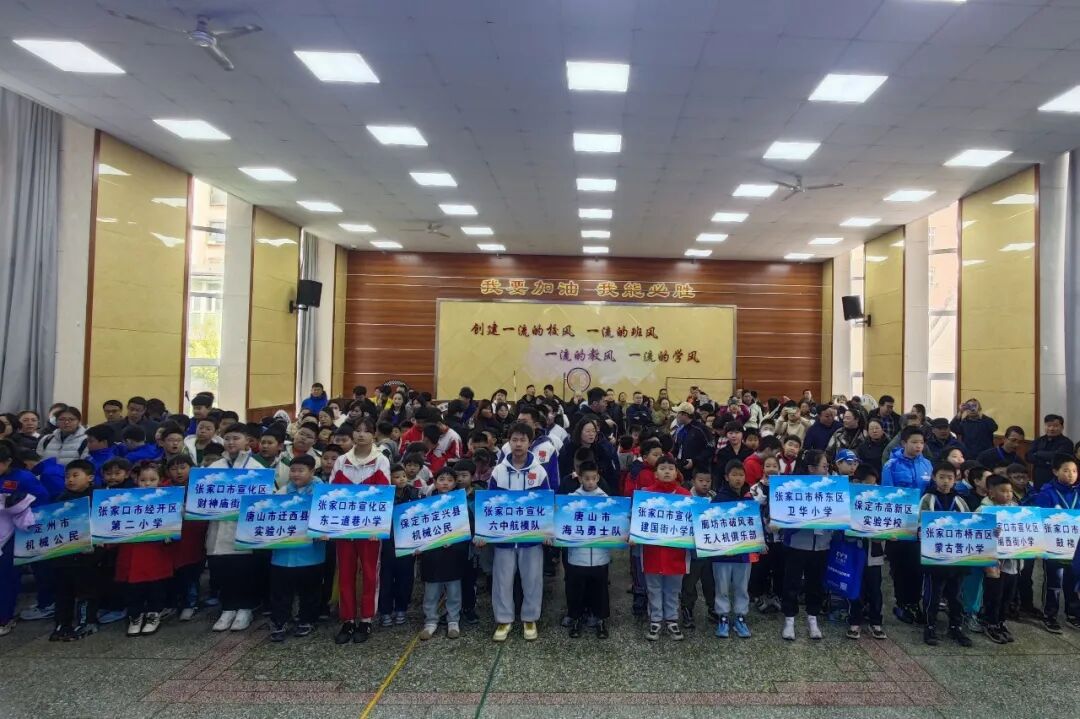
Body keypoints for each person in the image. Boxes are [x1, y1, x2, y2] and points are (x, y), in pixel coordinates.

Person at [482, 421, 550, 642]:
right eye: (514, 439)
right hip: (504, 537)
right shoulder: (499, 471)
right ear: (508, 442)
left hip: (531, 537)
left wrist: (547, 531)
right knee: (502, 580)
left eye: (523, 440)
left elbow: (545, 504)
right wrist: (484, 532)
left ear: (530, 443)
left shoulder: (539, 471)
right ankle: (504, 619)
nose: (518, 444)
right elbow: (489, 504)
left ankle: (530, 618)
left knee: (532, 579)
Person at [329, 416, 391, 644]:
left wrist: (378, 527)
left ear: (374, 434)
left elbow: (383, 496)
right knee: (345, 572)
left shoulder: (380, 460)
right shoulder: (341, 461)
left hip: (370, 530)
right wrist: (328, 527)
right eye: (357, 430)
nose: (361, 434)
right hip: (344, 528)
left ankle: (365, 619)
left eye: (366, 430)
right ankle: (347, 620)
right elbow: (331, 496)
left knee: (369, 572)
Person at [204, 425, 260, 632]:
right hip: (218, 527)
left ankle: (245, 608)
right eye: (227, 438)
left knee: (244, 570)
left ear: (246, 441)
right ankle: (227, 608)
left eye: (236, 438)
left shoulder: (256, 467)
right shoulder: (215, 466)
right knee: (222, 569)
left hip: (243, 528)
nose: (231, 442)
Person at [265, 454, 325, 642]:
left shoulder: (322, 492)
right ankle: (280, 621)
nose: (296, 474)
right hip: (283, 554)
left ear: (312, 472)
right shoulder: (282, 492)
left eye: (301, 470)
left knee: (310, 590)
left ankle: (307, 620)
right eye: (293, 470)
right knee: (281, 591)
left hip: (311, 554)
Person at [881, 426, 933, 624]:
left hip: (920, 524)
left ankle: (914, 602)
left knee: (917, 565)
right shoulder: (891, 465)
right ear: (904, 443)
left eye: (921, 443)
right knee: (900, 565)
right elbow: (887, 495)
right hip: (899, 523)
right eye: (914, 442)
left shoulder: (927, 464)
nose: (919, 446)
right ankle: (902, 603)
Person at [919, 461, 973, 647]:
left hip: (957, 557)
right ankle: (930, 626)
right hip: (934, 556)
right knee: (933, 594)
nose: (945, 481)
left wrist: (989, 533)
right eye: (941, 477)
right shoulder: (928, 499)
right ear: (934, 478)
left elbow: (971, 525)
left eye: (949, 478)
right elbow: (921, 522)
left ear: (955, 480)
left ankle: (956, 627)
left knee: (956, 596)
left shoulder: (960, 501)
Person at [49, 459, 104, 640]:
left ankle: (86, 621)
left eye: (75, 475)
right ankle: (62, 624)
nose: (70, 480)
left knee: (86, 590)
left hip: (88, 556)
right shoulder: (60, 499)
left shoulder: (99, 497)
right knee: (63, 591)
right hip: (64, 555)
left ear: (90, 478)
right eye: (67, 477)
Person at [118, 462, 175, 637]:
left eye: (152, 479)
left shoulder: (168, 498)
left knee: (155, 586)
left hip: (156, 550)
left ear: (160, 480)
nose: (147, 483)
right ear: (136, 480)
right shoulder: (126, 499)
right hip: (132, 550)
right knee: (133, 588)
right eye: (143, 480)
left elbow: (174, 526)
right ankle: (135, 616)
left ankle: (153, 614)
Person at [780, 449, 832, 641]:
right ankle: (789, 619)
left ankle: (813, 619)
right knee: (792, 583)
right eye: (824, 467)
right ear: (811, 468)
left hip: (822, 544)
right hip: (797, 543)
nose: (827, 470)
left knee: (815, 584)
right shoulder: (794, 487)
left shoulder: (832, 488)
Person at [640, 455, 689, 642]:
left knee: (673, 588)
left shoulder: (685, 496)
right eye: (662, 468)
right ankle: (655, 619)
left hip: (677, 552)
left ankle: (672, 619)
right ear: (655, 473)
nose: (667, 472)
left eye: (670, 468)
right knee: (653, 587)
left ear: (676, 473)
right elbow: (637, 521)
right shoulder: (646, 495)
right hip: (652, 551)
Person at [417, 468, 469, 640]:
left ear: (454, 484)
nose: (445, 483)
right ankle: (430, 621)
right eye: (441, 479)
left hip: (454, 554)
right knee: (431, 591)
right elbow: (417, 528)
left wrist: (455, 540)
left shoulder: (460, 503)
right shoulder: (425, 504)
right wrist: (414, 545)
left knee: (454, 591)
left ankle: (453, 620)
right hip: (432, 555)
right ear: (435, 482)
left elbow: (468, 527)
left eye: (449, 480)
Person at [1033, 453, 1080, 633]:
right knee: (1054, 582)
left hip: (1076, 547)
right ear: (1055, 471)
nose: (1071, 474)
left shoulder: (1078, 492)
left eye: (1074, 471)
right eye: (1066, 470)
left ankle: (1072, 613)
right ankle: (1050, 615)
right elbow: (1041, 518)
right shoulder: (1047, 493)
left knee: (1073, 580)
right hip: (1054, 546)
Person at [711, 460, 754, 639]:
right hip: (722, 553)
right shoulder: (718, 500)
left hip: (743, 553)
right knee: (721, 587)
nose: (738, 478)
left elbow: (755, 525)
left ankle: (740, 617)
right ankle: (722, 617)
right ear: (726, 477)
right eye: (734, 475)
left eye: (741, 475)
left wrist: (760, 543)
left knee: (742, 587)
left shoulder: (749, 499)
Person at [845, 464, 887, 640]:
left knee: (875, 589)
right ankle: (855, 621)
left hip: (874, 554)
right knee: (856, 588)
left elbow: (890, 525)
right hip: (855, 552)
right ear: (856, 482)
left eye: (874, 485)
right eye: (868, 485)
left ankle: (876, 622)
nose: (872, 489)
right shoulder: (848, 500)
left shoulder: (881, 501)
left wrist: (891, 535)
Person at [978, 475, 1019, 644]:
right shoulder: (983, 510)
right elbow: (977, 533)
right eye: (1003, 491)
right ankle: (990, 622)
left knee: (1008, 595)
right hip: (994, 563)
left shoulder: (1016, 509)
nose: (1008, 494)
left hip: (1013, 560)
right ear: (991, 493)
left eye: (1010, 491)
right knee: (994, 594)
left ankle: (1001, 621)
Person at [379, 464, 418, 627]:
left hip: (407, 542)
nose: (401, 479)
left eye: (403, 476)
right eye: (396, 477)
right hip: (387, 542)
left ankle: (401, 608)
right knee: (386, 579)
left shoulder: (414, 493)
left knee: (405, 578)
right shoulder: (382, 495)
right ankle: (385, 611)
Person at [680, 468, 716, 629]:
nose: (705, 484)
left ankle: (713, 608)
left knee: (711, 582)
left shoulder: (715, 498)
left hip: (711, 549)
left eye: (708, 481)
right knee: (689, 583)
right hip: (692, 550)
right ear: (693, 481)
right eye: (701, 481)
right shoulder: (686, 499)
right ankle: (687, 610)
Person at [749, 455, 784, 613]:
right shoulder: (755, 488)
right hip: (762, 535)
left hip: (781, 536)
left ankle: (777, 595)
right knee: (760, 568)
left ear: (779, 468)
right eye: (768, 466)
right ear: (763, 469)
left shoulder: (785, 487)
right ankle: (758, 595)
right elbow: (754, 507)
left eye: (774, 466)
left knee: (779, 568)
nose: (771, 469)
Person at [1028, 415, 1073, 489]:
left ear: (1062, 427)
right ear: (1045, 426)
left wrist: (1038, 453)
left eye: (1055, 426)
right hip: (1038, 479)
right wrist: (1047, 462)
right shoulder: (1039, 440)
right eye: (1048, 425)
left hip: (1057, 479)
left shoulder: (1067, 442)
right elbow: (1028, 456)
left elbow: (1058, 457)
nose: (1051, 428)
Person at [674, 402, 712, 482]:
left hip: (698, 471)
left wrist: (694, 461)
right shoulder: (680, 429)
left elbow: (710, 448)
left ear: (685, 415)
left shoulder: (701, 429)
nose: (676, 416)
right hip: (682, 468)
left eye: (678, 413)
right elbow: (677, 447)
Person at [712, 422, 751, 492]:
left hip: (746, 487)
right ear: (726, 435)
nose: (733, 436)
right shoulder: (722, 452)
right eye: (730, 433)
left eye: (737, 433)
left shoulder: (749, 452)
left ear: (742, 434)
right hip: (727, 487)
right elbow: (719, 473)